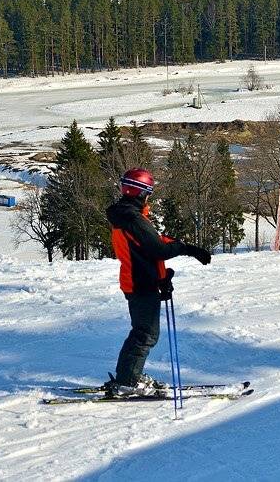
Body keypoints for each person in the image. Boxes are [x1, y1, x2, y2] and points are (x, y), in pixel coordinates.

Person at [103, 167, 211, 396]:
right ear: (141, 192)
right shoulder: (132, 217)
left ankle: (130, 376)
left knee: (143, 332)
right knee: (145, 334)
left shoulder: (129, 215)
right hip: (139, 282)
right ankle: (126, 382)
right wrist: (183, 248)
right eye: (149, 192)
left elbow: (148, 246)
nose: (150, 196)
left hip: (141, 280)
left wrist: (163, 276)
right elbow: (158, 249)